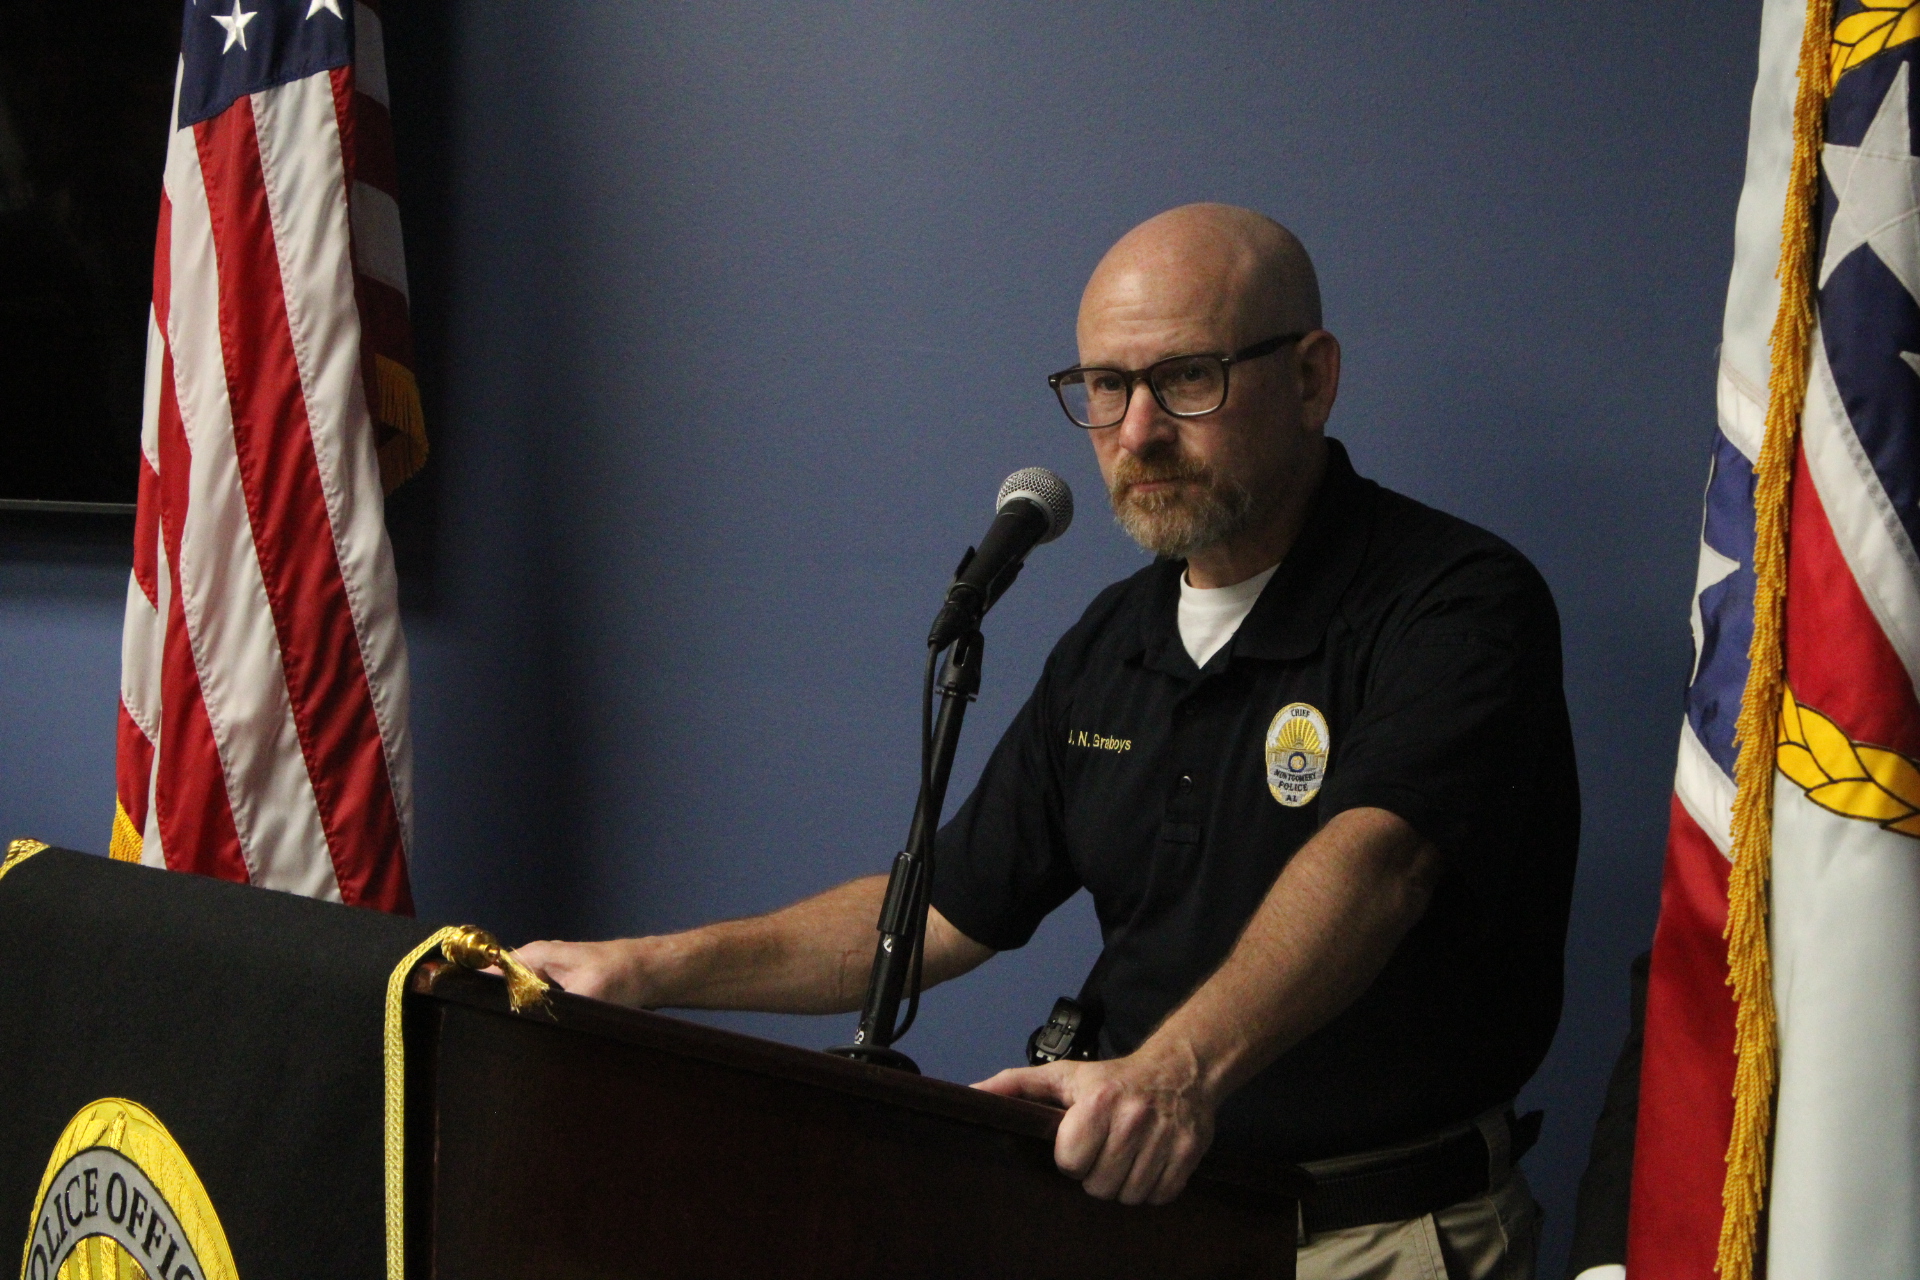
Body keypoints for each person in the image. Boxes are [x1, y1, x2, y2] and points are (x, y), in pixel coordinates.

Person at [517, 203, 1578, 1280]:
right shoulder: (1114, 639)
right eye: (1105, 386)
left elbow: (1378, 860)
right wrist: (642, 970)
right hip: (1135, 1223)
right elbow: (937, 911)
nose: (1137, 430)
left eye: (1188, 378)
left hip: (1371, 1235)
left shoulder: (1454, 602)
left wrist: (1173, 1072)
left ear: (1312, 378)